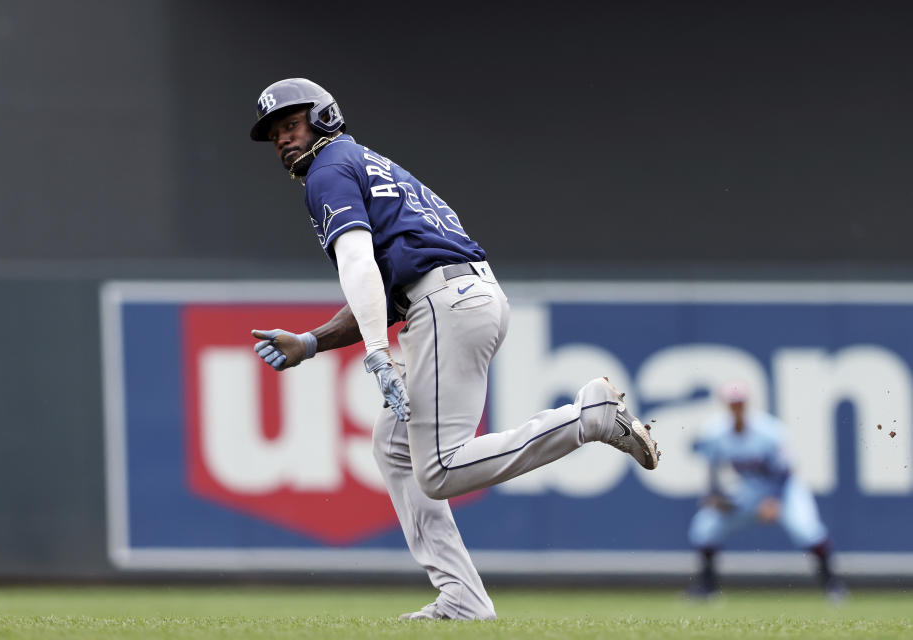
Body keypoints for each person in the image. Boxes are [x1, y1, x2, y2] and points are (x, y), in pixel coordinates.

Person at [247, 78, 660, 620]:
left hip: (446, 304)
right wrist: (309, 342)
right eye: (275, 132)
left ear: (325, 117)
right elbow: (391, 284)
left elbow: (359, 266)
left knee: (439, 469)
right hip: (463, 295)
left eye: (291, 124)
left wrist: (376, 352)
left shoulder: (326, 170)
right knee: (395, 447)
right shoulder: (372, 164)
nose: (282, 138)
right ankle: (462, 598)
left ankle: (588, 418)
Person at [687, 381, 846, 599]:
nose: (737, 407)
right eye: (733, 403)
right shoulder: (715, 431)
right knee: (706, 525)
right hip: (750, 489)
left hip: (785, 489)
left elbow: (786, 470)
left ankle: (833, 586)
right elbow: (712, 467)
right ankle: (707, 588)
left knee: (806, 529)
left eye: (740, 403)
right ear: (726, 404)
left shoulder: (769, 430)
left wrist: (774, 501)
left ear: (747, 403)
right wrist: (714, 495)